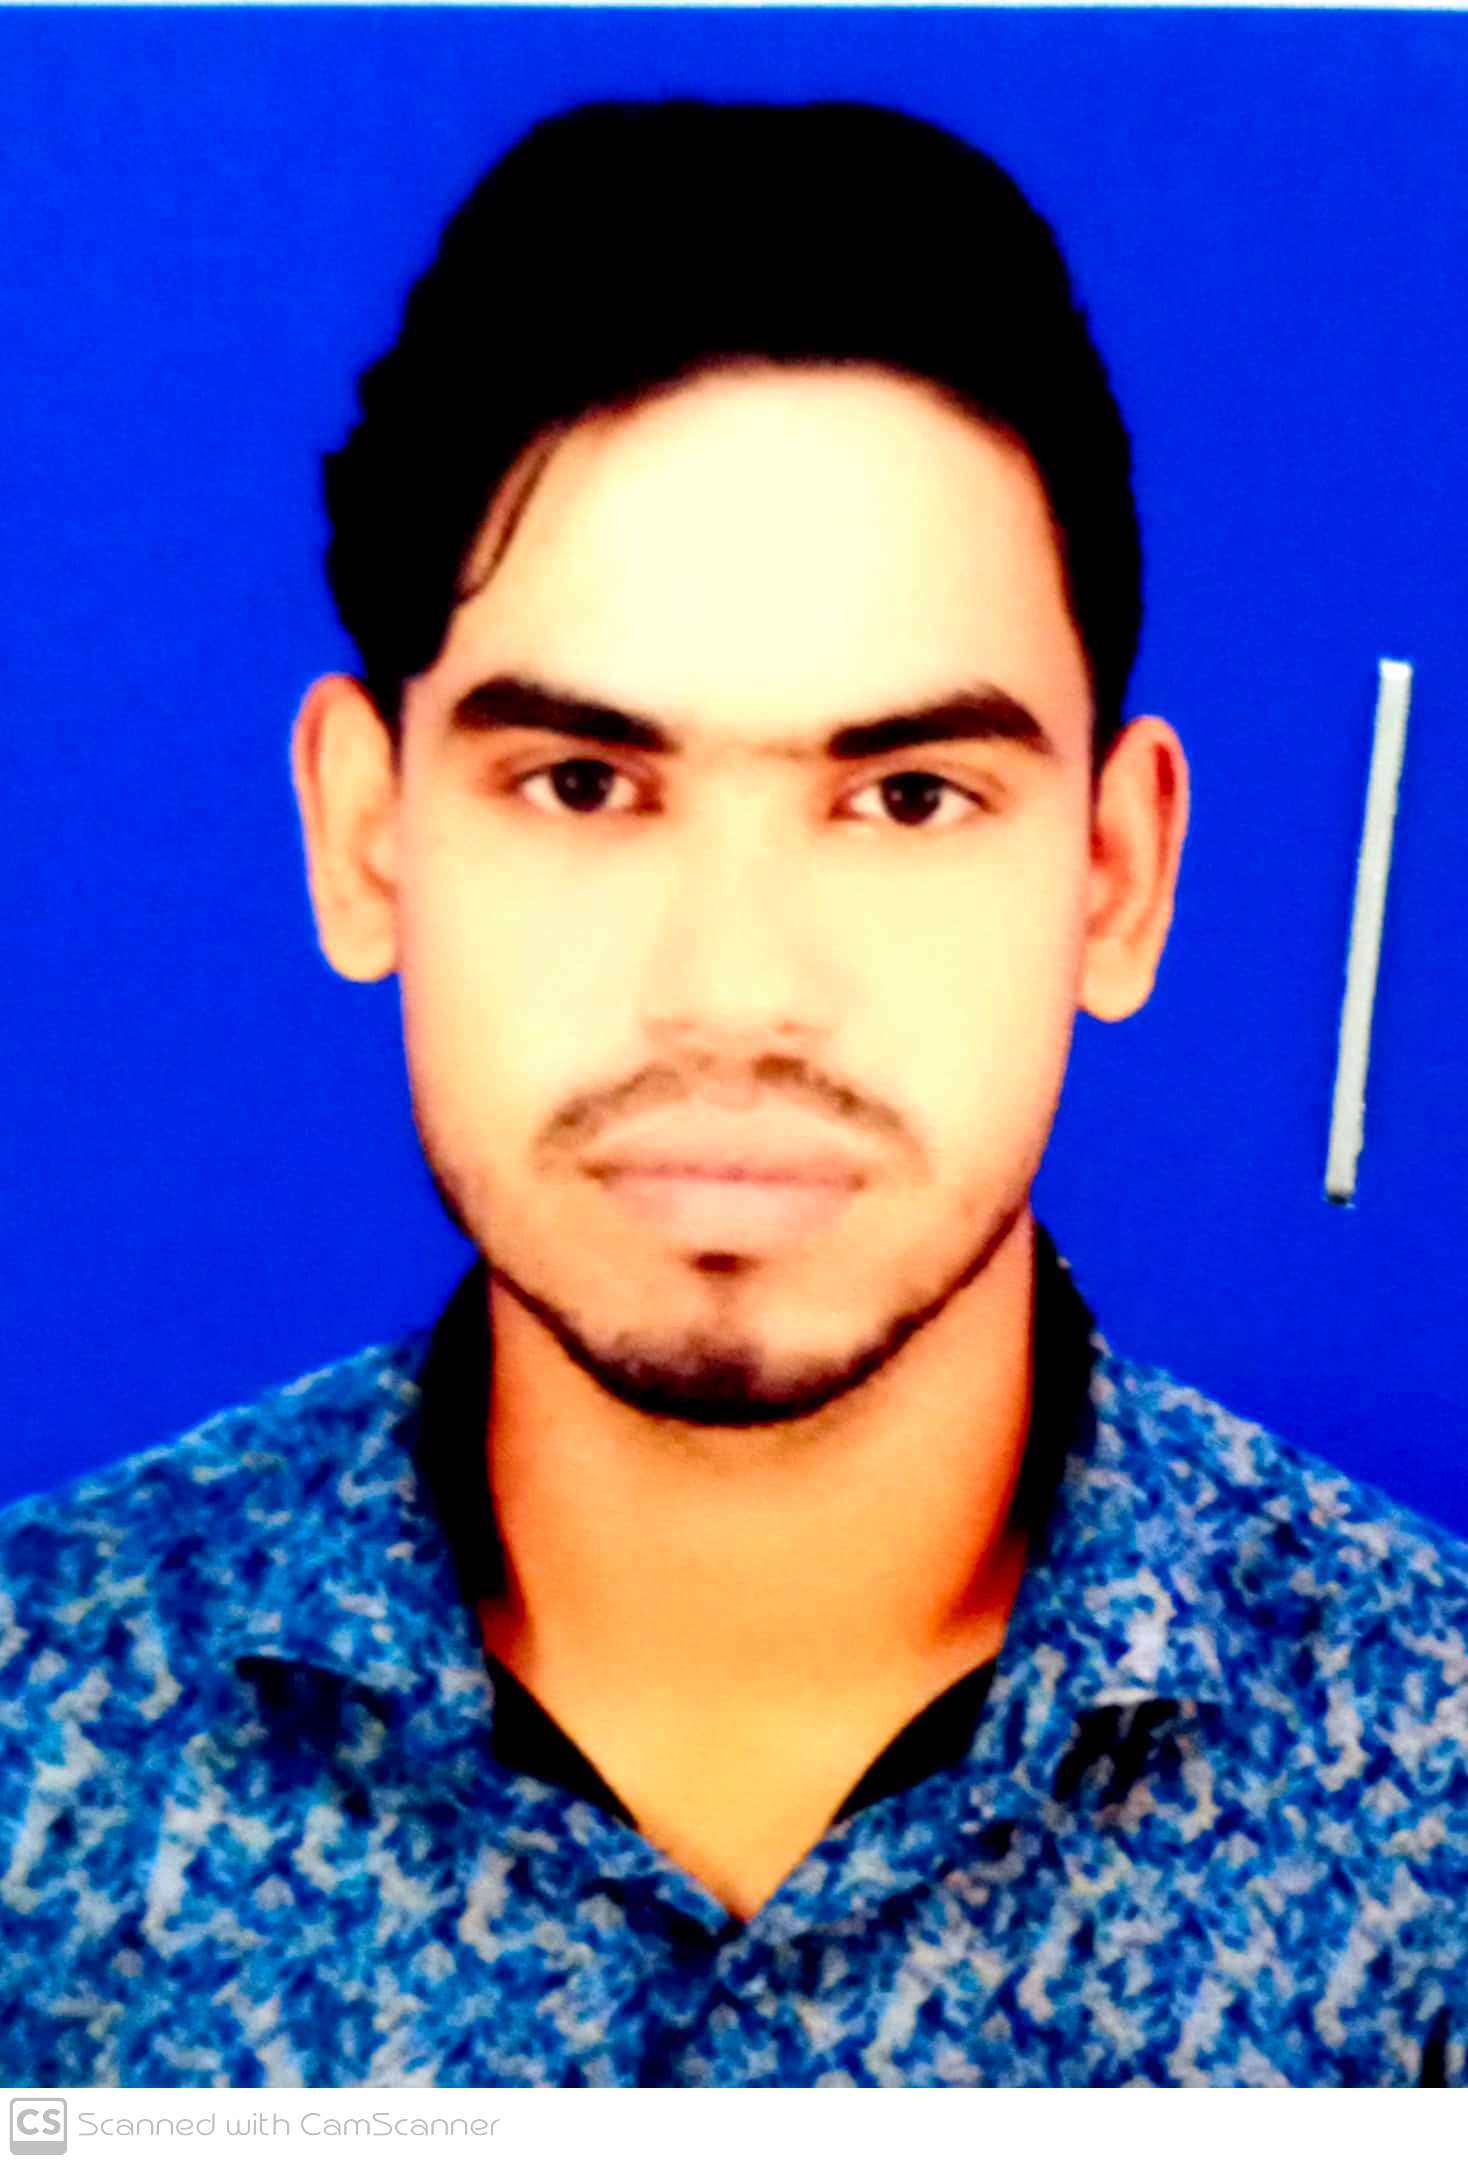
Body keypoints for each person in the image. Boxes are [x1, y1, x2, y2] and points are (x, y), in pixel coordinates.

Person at [1, 96, 1464, 2091]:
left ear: (1115, 879)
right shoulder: (38, 1756)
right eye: (582, 783)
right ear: (362, 833)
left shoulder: (1436, 1804)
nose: (735, 994)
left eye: (908, 795)